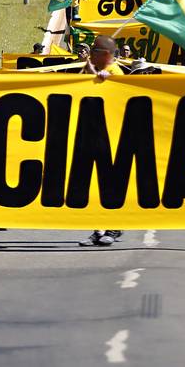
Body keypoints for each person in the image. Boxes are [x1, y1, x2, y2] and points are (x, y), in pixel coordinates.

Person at [79, 35, 124, 247]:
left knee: (109, 186)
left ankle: (113, 227)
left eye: (95, 50)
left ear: (105, 54)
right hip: (93, 135)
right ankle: (98, 229)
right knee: (93, 187)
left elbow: (115, 92)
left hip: (111, 137)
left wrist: (97, 76)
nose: (90, 54)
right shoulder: (91, 70)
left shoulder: (115, 72)